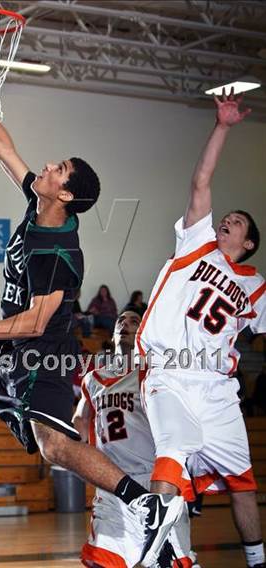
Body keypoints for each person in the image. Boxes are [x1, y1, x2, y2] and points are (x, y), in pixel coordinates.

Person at [0, 55, 184, 567]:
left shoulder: (59, 252)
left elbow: (36, 322)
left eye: (58, 170)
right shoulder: (38, 202)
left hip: (42, 351)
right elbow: (3, 148)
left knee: (54, 446)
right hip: (12, 346)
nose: (46, 167)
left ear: (66, 194)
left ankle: (147, 504)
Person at [136, 90, 265, 568]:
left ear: (248, 243)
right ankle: (155, 552)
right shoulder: (197, 244)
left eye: (236, 224)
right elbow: (201, 181)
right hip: (170, 370)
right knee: (171, 450)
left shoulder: (255, 286)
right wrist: (224, 127)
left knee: (244, 484)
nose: (226, 222)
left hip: (217, 389)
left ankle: (256, 560)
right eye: (225, 219)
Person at [74, 310, 194, 568]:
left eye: (134, 321)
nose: (125, 324)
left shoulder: (154, 371)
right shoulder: (93, 379)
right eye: (120, 321)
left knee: (170, 563)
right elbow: (80, 416)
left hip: (154, 481)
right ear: (113, 333)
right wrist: (77, 436)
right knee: (101, 561)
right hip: (112, 483)